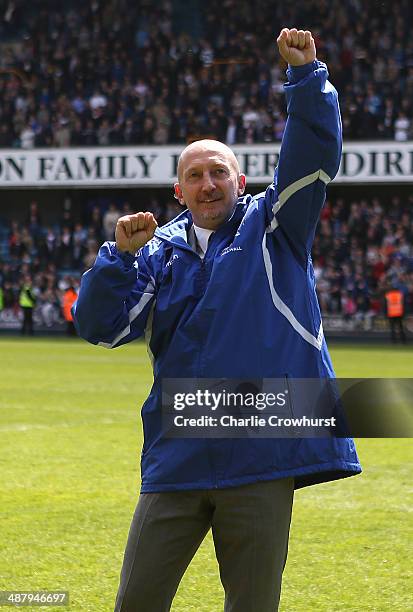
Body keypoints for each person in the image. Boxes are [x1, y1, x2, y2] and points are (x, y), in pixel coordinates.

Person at [73, 28, 361, 612]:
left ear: (241, 181)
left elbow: (313, 153)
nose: (209, 184)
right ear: (178, 191)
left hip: (261, 455)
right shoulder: (155, 254)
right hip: (178, 454)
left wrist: (307, 78)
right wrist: (118, 259)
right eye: (196, 176)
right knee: (137, 602)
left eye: (219, 172)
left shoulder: (277, 227)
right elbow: (100, 326)